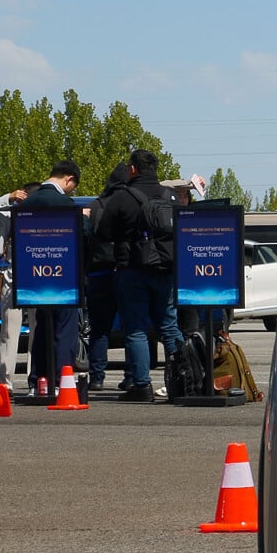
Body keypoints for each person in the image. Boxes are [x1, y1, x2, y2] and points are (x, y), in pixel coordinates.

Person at [93, 149, 183, 402]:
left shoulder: (122, 197)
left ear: (133, 169)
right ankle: (183, 380)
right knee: (169, 326)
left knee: (135, 329)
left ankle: (141, 386)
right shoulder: (170, 196)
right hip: (165, 270)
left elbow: (104, 232)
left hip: (131, 269)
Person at [15, 160, 86, 398]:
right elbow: (83, 236)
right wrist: (85, 218)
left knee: (42, 329)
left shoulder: (28, 202)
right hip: (64, 275)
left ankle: (38, 381)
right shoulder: (65, 203)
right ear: (69, 178)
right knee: (64, 329)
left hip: (34, 275)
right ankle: (60, 380)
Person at [80, 161, 130, 393]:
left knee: (99, 329)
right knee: (132, 328)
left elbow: (84, 240)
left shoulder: (95, 206)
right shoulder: (132, 203)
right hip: (126, 270)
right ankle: (131, 377)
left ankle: (97, 377)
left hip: (99, 272)